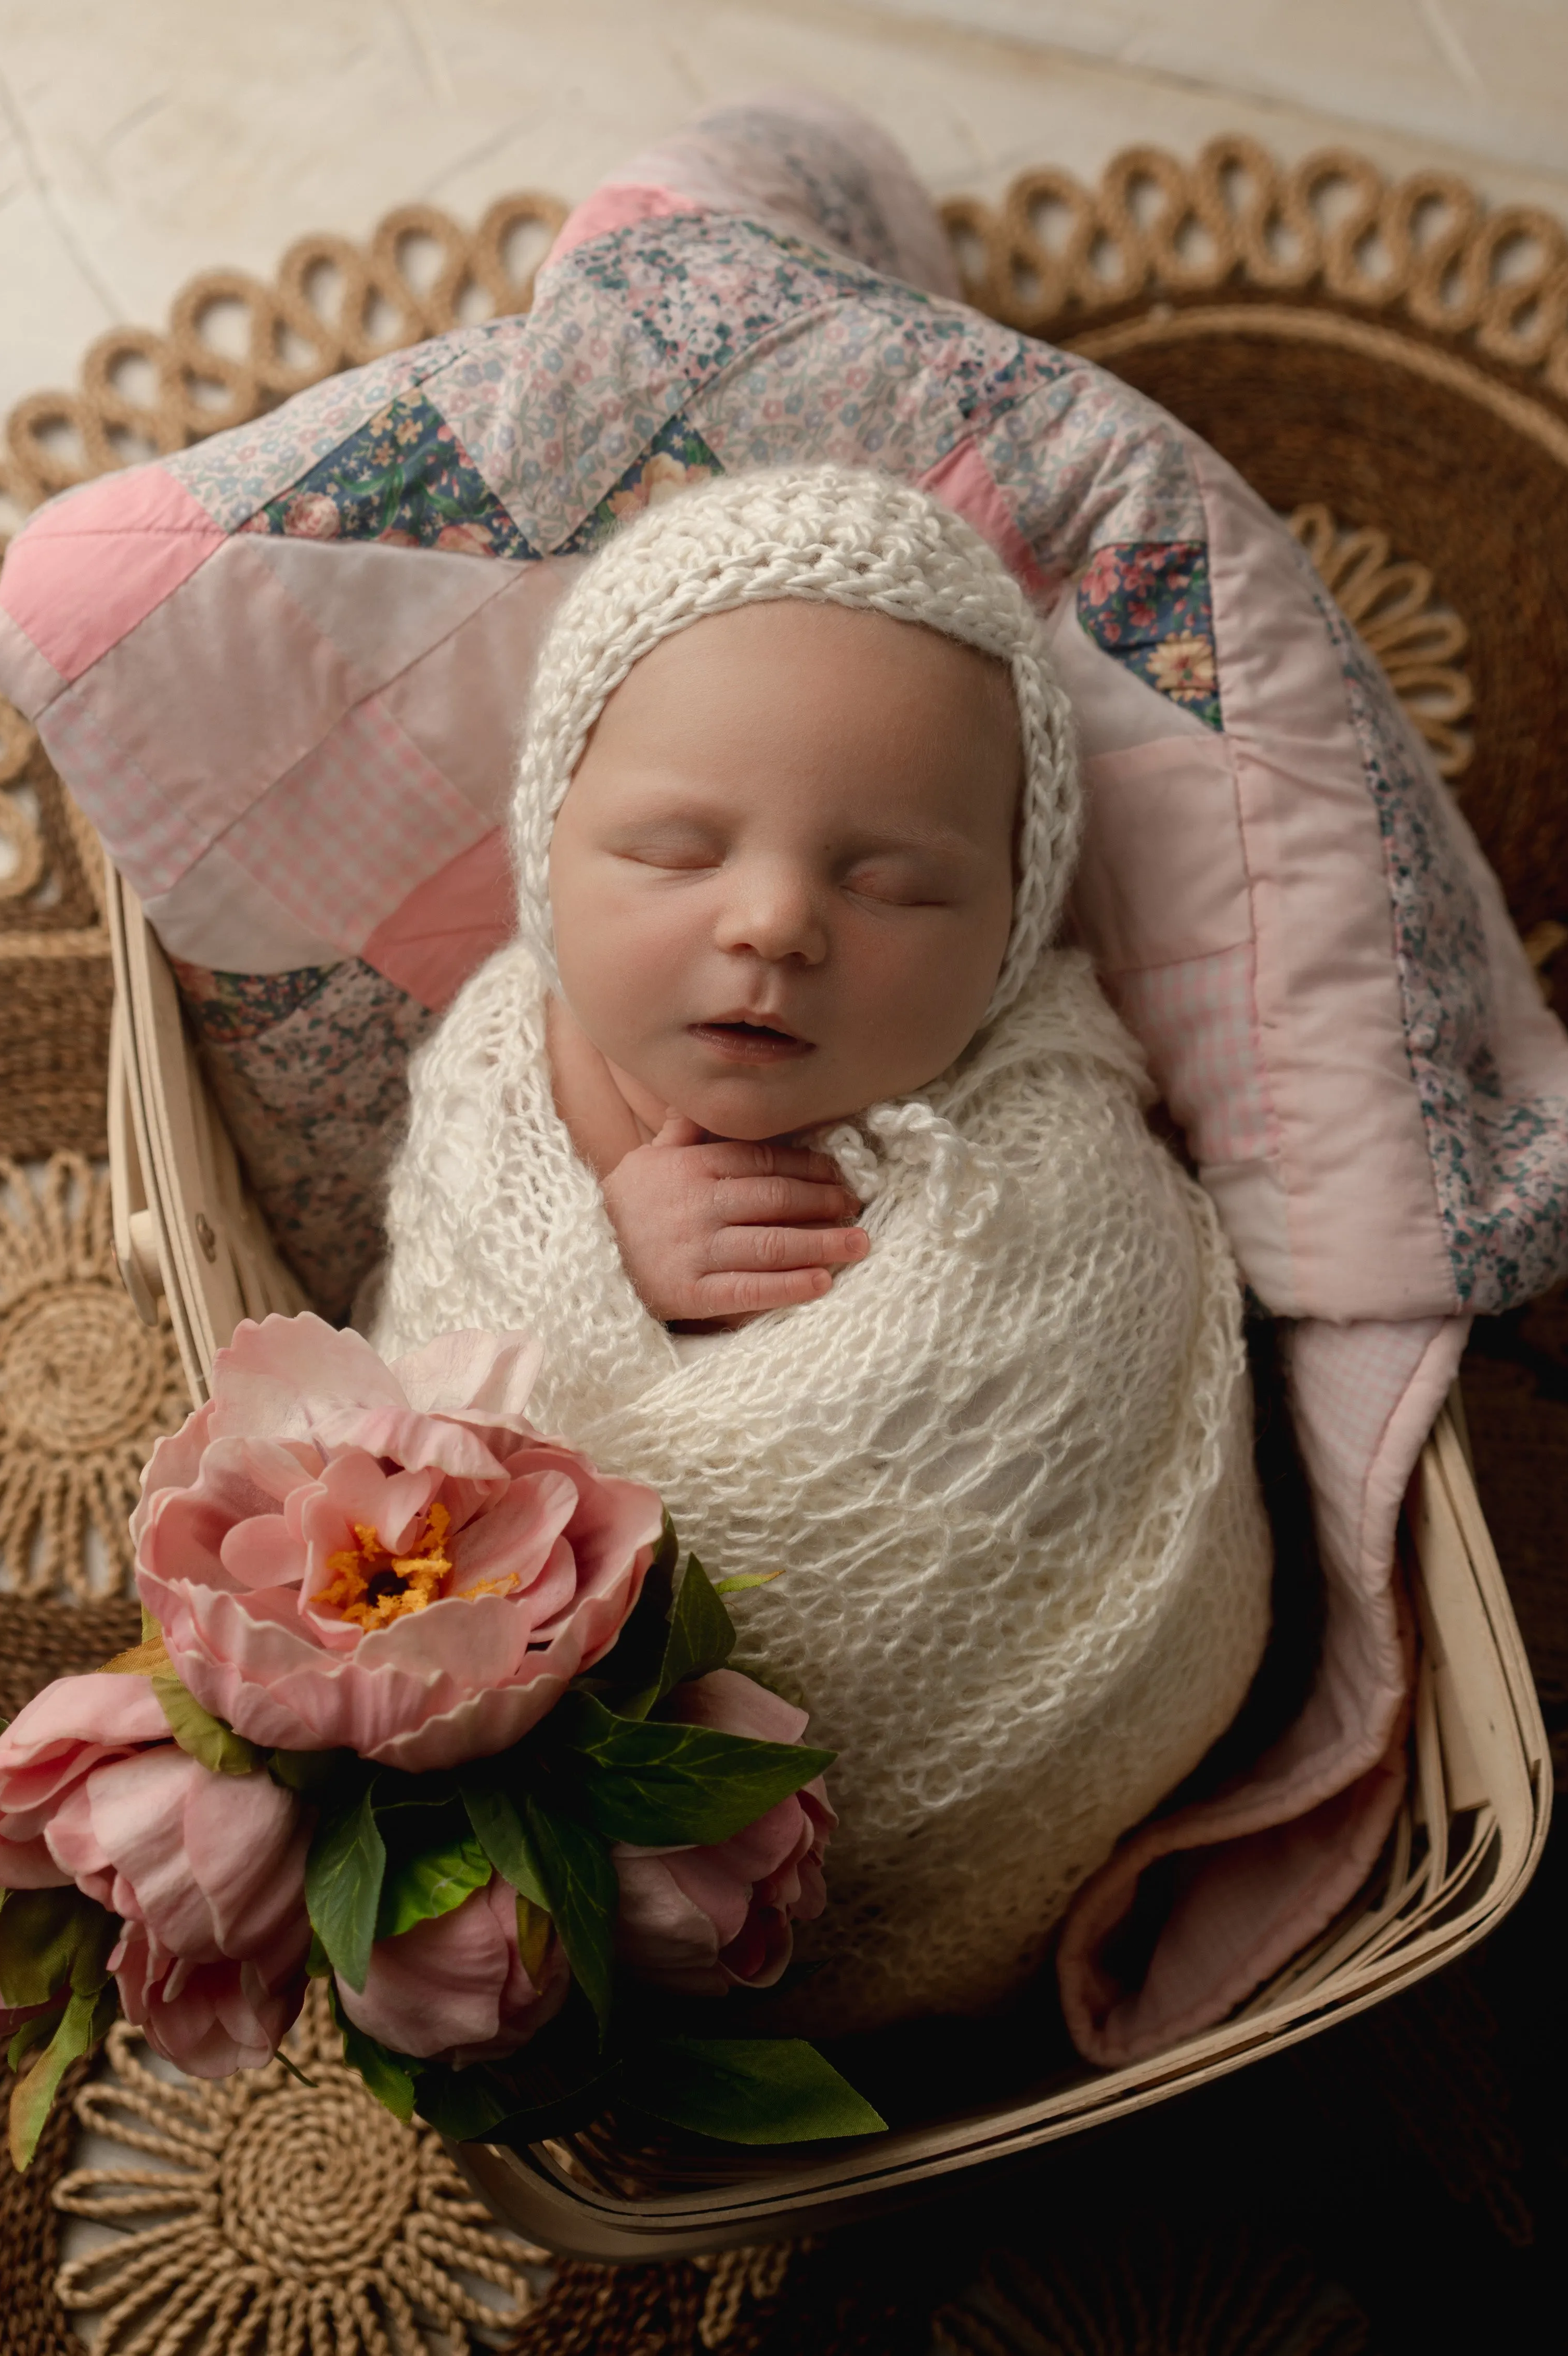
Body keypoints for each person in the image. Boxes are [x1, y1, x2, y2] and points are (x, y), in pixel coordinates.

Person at [373, 464, 1272, 2035]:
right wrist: (600, 1268)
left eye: (891, 881)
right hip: (586, 1801)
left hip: (1010, 1727)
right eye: (674, 850)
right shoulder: (514, 1080)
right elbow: (431, 1398)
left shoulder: (1042, 1128)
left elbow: (1097, 1364)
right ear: (549, 845)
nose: (777, 922)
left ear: (1009, 925)